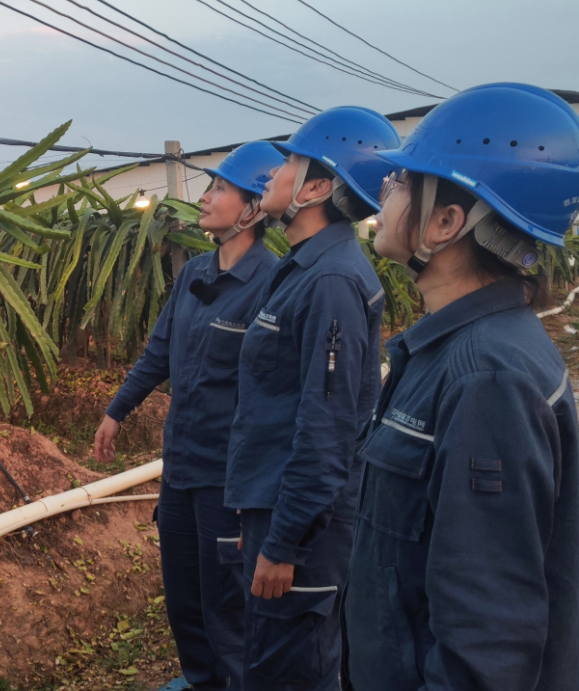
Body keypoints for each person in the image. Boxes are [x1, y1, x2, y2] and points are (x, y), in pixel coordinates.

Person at [345, 82, 579, 691]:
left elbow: (487, 643)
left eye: (401, 182)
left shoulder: (487, 379)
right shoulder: (454, 350)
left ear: (446, 222)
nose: (385, 192)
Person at [94, 141, 285, 691]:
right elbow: (159, 351)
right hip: (179, 469)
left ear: (252, 209)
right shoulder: (194, 274)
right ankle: (201, 680)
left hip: (229, 480)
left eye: (220, 188)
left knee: (228, 604)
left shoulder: (269, 286)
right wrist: (117, 410)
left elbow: (275, 398)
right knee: (183, 597)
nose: (205, 198)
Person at [224, 107, 399, 690]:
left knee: (293, 672)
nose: (274, 172)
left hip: (304, 537)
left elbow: (325, 429)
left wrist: (286, 539)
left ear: (319, 187)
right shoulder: (302, 269)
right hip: (274, 509)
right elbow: (277, 408)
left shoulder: (330, 282)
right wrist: (258, 516)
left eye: (291, 161)